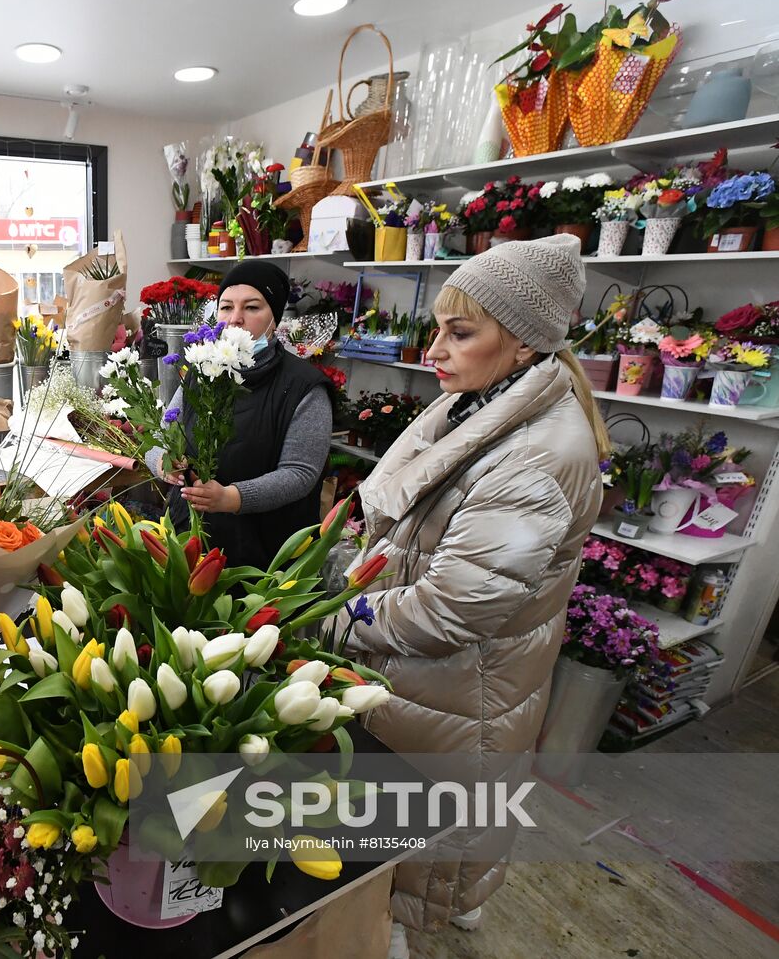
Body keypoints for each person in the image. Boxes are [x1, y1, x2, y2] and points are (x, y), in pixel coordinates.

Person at [338, 236, 610, 955]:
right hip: (436, 683)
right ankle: (442, 904)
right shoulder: (480, 407)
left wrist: (338, 620)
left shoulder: (537, 455)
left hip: (463, 683)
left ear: (522, 343)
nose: (436, 349)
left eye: (461, 332)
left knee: (433, 827)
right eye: (438, 328)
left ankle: (399, 926)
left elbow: (451, 607)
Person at [144, 259, 333, 568]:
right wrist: (163, 462)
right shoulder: (200, 371)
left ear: (275, 316)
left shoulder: (303, 386)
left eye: (252, 308)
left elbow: (300, 473)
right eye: (226, 307)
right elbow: (159, 438)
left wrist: (233, 498)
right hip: (188, 542)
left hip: (262, 555)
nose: (235, 320)